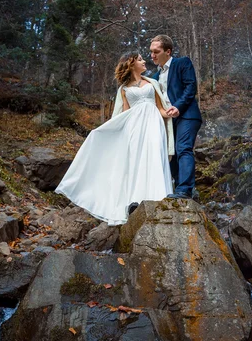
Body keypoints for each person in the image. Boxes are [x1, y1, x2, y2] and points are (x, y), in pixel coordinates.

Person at [55, 52, 174, 225]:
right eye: (140, 59)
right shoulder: (124, 89)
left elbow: (159, 107)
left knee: (154, 157)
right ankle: (135, 202)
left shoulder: (152, 83)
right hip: (134, 127)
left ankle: (159, 198)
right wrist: (107, 131)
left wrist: (171, 112)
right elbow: (124, 113)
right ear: (131, 64)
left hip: (154, 124)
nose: (144, 61)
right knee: (136, 162)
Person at [150, 35, 202, 199]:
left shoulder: (182, 63)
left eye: (156, 51)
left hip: (187, 115)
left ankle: (184, 189)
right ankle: (185, 189)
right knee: (169, 153)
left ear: (168, 51)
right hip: (167, 120)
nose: (152, 55)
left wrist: (178, 107)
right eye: (151, 52)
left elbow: (190, 87)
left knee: (183, 148)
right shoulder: (154, 77)